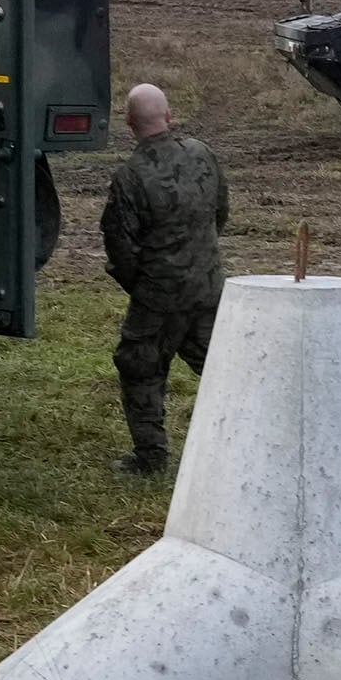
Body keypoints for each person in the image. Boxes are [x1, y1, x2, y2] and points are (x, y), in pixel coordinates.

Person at [97, 81, 228, 473]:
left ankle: (151, 457)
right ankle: (250, 439)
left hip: (158, 296)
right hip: (208, 287)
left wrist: (144, 285)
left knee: (140, 367)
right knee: (223, 367)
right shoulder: (202, 153)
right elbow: (220, 212)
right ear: (169, 115)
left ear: (128, 123)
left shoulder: (130, 177)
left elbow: (120, 247)